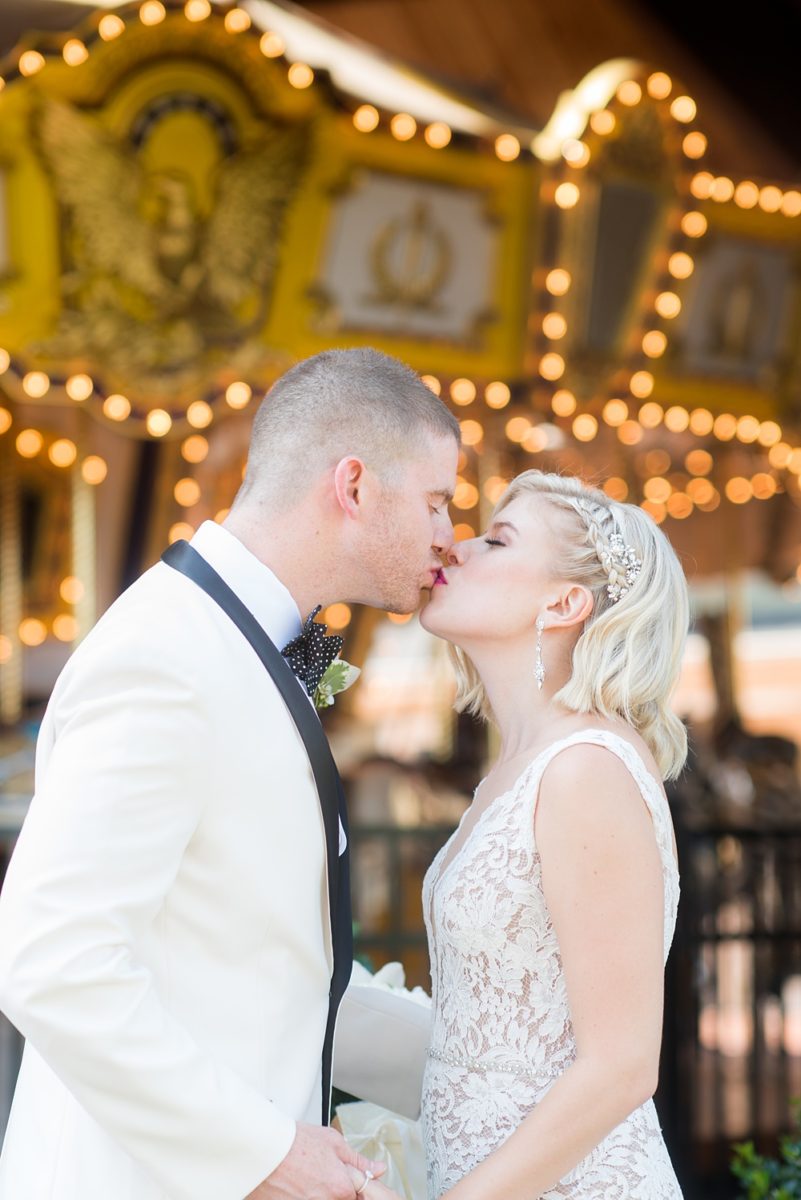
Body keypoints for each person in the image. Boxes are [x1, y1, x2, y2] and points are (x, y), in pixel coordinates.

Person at [0, 348, 459, 1200]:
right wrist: (263, 1150)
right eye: (437, 501)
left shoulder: (242, 644)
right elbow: (53, 960)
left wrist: (491, 1072)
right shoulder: (165, 655)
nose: (449, 536)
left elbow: (273, 975)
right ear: (354, 487)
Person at [417, 468, 688, 1199]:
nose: (454, 549)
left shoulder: (583, 770)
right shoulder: (518, 766)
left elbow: (622, 1065)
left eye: (496, 540)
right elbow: (480, 1041)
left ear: (564, 602)